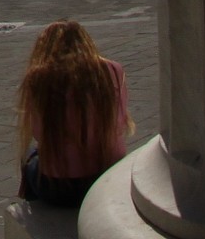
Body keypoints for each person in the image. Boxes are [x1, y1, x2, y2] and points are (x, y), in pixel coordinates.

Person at [15, 20, 132, 208]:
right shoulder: (113, 69)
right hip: (106, 180)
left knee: (29, 156)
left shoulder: (38, 78)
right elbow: (121, 119)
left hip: (59, 188)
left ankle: (35, 217)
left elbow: (38, 133)